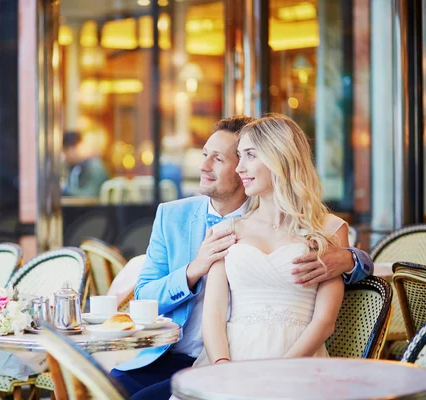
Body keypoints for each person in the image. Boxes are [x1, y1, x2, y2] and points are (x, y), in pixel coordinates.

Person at [110, 115, 373, 399]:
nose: (204, 166)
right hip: (199, 354)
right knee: (113, 388)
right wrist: (194, 269)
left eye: (225, 158)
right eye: (205, 155)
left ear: (278, 158)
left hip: (292, 359)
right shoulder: (197, 222)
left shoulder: (326, 229)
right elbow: (146, 294)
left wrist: (351, 260)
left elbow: (328, 313)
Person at [197, 114, 346, 370]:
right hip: (231, 360)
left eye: (250, 155)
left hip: (299, 361)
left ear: (280, 158)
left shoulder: (329, 229)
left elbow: (325, 321)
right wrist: (222, 367)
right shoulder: (226, 230)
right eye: (239, 156)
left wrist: (279, 372)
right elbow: (213, 315)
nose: (239, 167)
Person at [62, 131, 109, 197]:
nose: (65, 157)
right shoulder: (75, 166)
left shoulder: (95, 166)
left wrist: (66, 190)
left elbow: (91, 194)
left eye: (65, 152)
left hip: (93, 207)